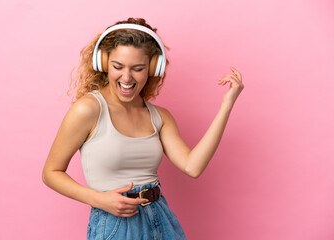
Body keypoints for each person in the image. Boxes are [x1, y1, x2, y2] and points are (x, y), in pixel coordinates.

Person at [42, 17, 244, 240]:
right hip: (116, 223)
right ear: (103, 63)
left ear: (152, 68)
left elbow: (192, 167)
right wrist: (98, 199)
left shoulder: (160, 117)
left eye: (138, 69)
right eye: (118, 67)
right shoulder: (88, 110)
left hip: (160, 217)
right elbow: (51, 172)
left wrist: (227, 105)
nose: (127, 77)